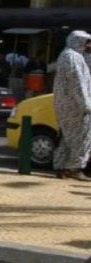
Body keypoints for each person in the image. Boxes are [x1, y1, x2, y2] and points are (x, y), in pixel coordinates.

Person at [52, 31, 91, 180]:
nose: (88, 45)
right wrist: (86, 104)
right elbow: (77, 83)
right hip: (76, 106)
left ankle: (62, 167)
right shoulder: (72, 57)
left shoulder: (71, 55)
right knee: (82, 138)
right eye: (87, 42)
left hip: (70, 104)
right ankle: (75, 168)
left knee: (68, 138)